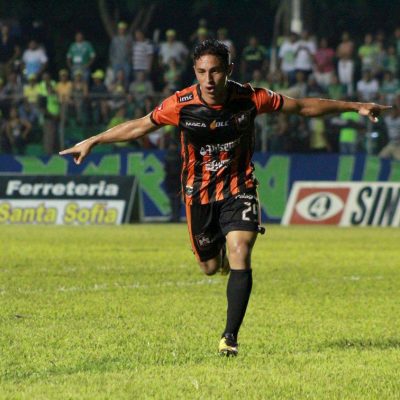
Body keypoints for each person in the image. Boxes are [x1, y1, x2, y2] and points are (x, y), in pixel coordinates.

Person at [59, 39, 391, 357]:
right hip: (199, 194)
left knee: (241, 250)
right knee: (209, 267)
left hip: (238, 186)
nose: (208, 80)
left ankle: (229, 337)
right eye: (202, 72)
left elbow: (302, 106)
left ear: (229, 69)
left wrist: (355, 107)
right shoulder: (181, 104)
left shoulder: (251, 98)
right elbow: (140, 126)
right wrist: (94, 140)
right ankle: (218, 252)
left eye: (215, 71)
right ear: (194, 71)